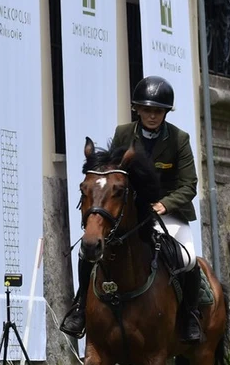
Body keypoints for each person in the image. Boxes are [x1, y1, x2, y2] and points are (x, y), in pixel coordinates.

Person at [60, 76, 203, 343]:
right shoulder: (123, 133)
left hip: (167, 211)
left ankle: (190, 316)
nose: (152, 115)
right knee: (88, 249)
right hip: (132, 210)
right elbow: (115, 174)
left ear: (165, 113)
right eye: (147, 110)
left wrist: (165, 204)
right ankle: (80, 308)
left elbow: (189, 184)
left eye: (158, 111)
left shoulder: (179, 139)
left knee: (188, 259)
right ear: (137, 109)